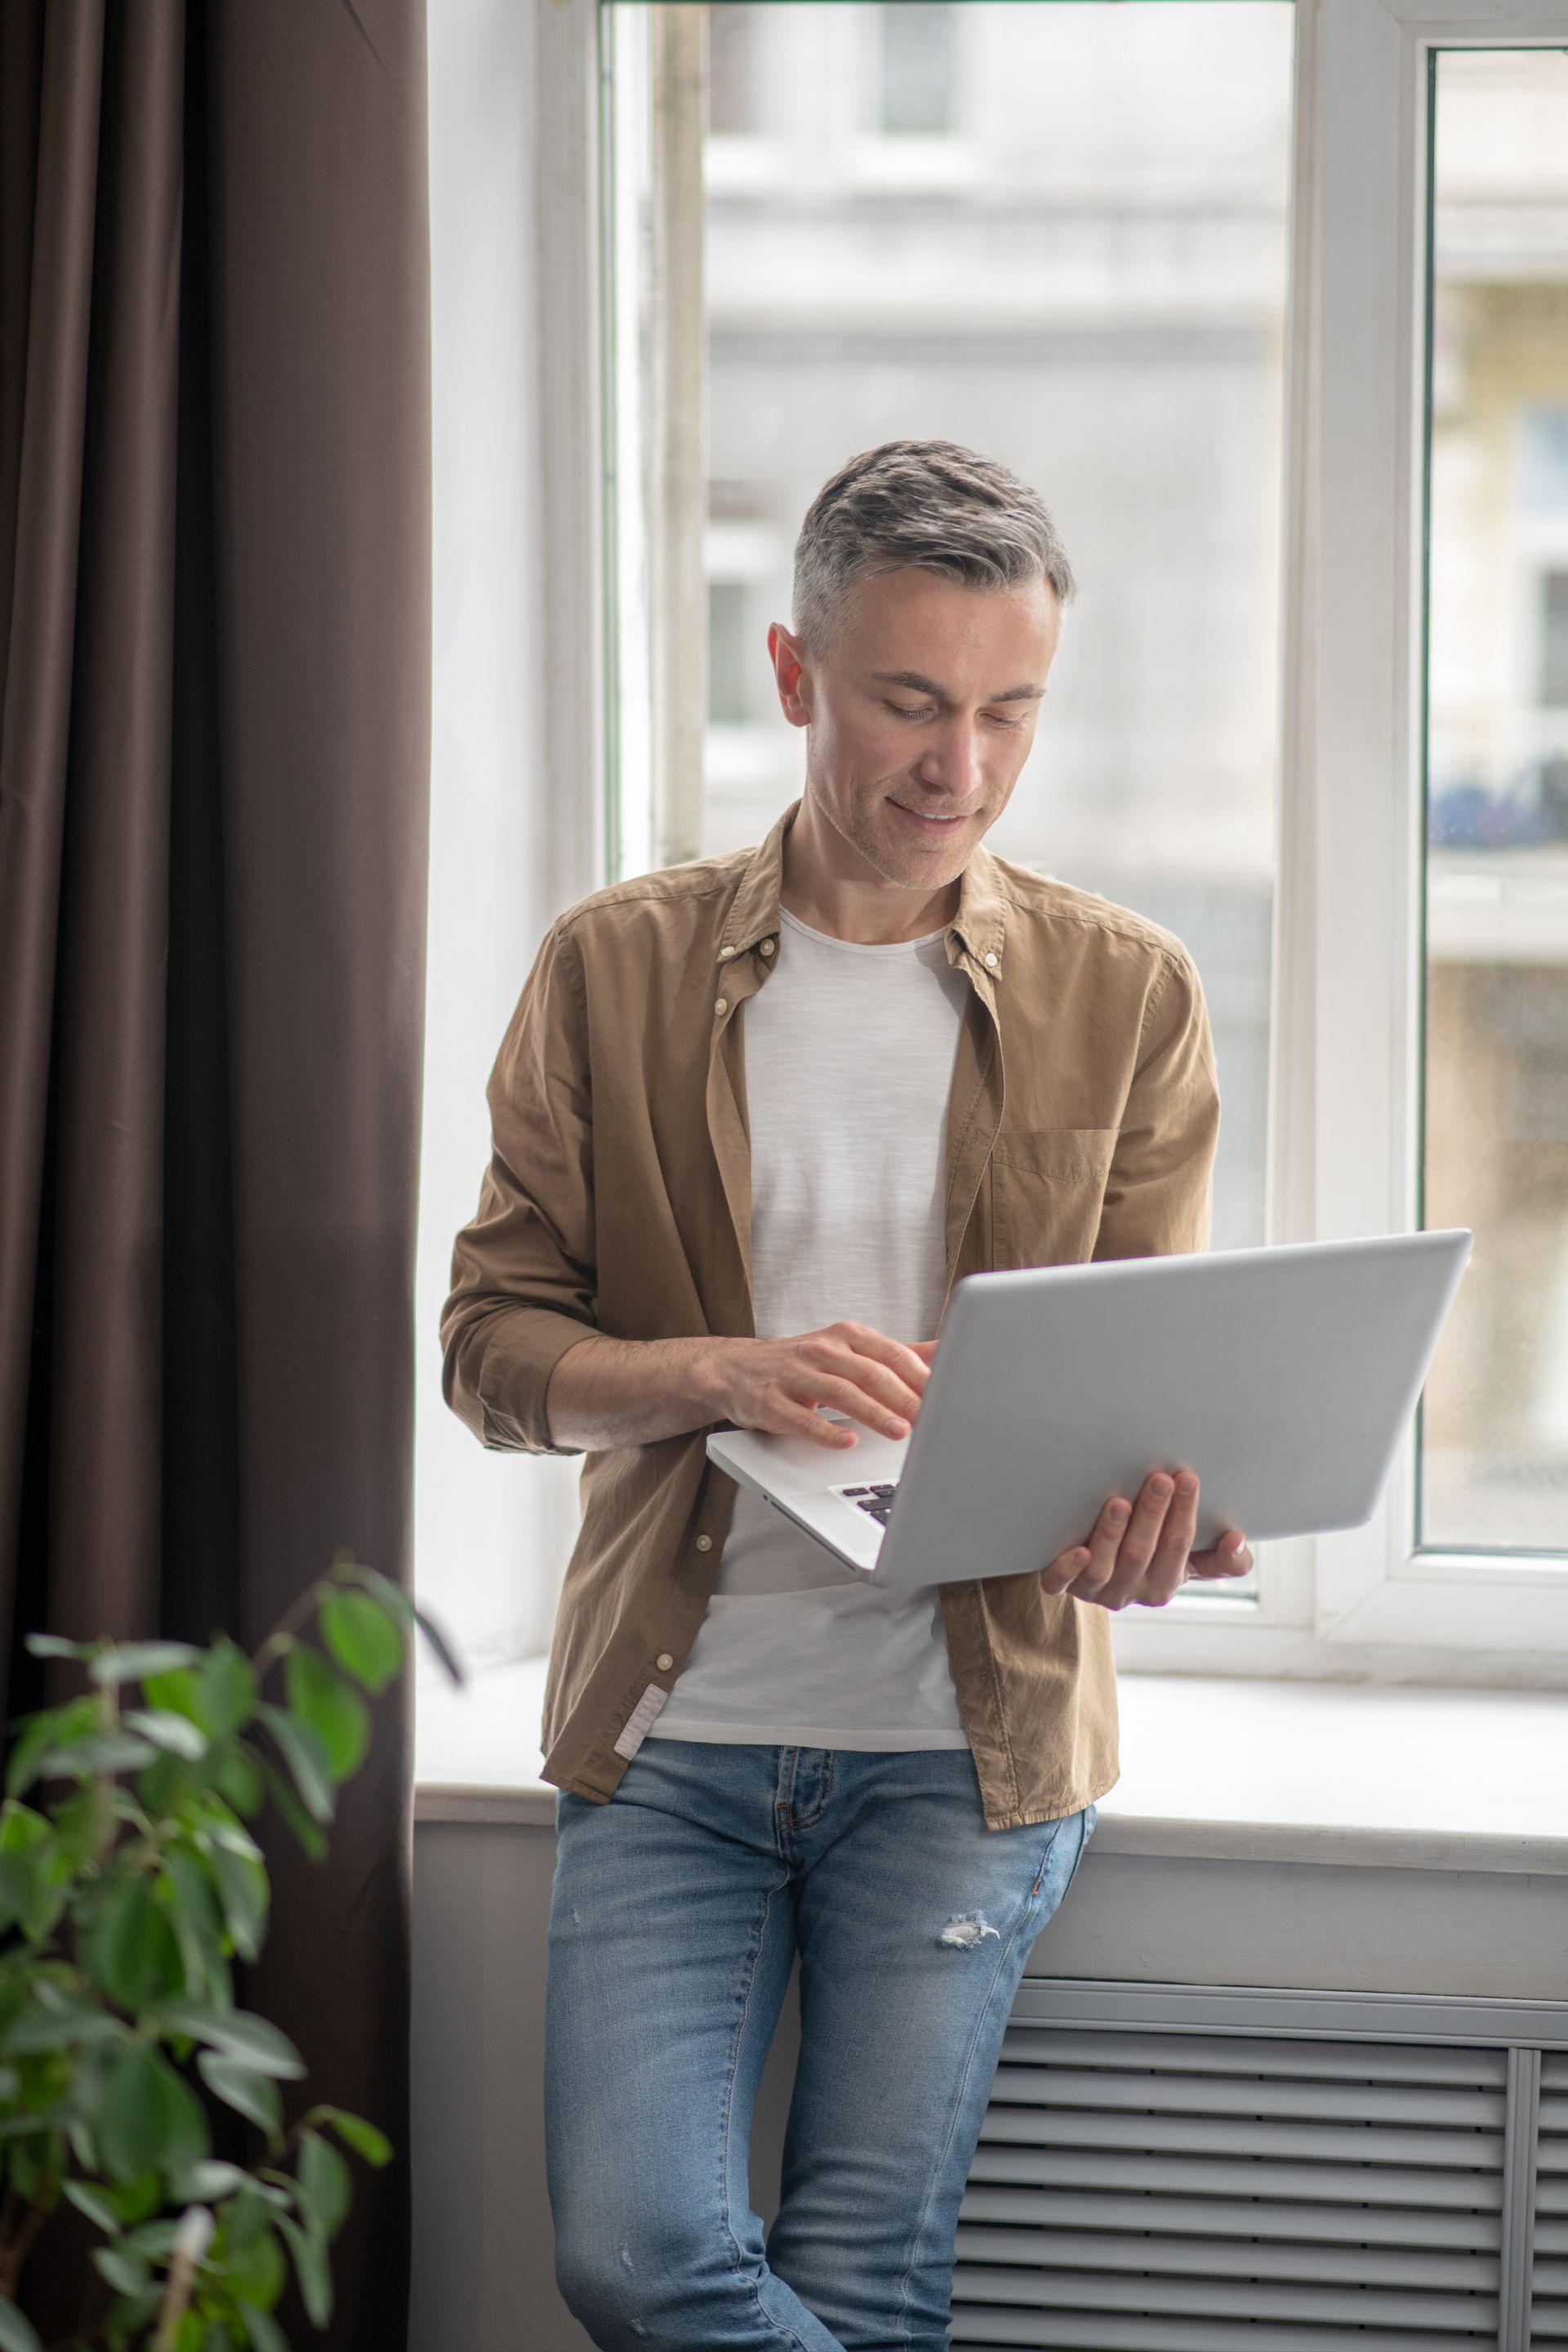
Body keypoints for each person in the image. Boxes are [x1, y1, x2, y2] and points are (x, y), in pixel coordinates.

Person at [441, 439, 1254, 2352]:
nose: (958, 767)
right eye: (907, 701)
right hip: (674, 1739)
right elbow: (490, 1353)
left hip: (968, 1753)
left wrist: (1162, 1522)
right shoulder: (615, 970)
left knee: (871, 2287)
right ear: (795, 671)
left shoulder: (1129, 991)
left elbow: (1149, 1389)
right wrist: (719, 1373)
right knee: (636, 2258)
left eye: (1008, 711)